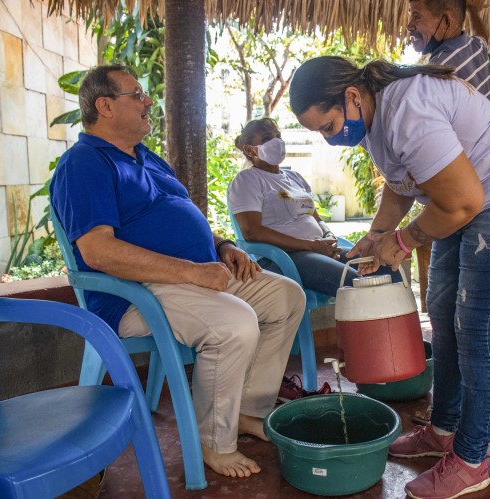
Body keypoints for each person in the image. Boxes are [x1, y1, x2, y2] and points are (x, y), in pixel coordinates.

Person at [289, 56, 490, 499]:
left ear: (352, 96)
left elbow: (461, 201)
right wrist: (377, 234)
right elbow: (401, 182)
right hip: (472, 204)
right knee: (442, 313)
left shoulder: (407, 108)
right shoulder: (374, 116)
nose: (329, 137)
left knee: (478, 333)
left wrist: (404, 240)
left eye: (328, 124)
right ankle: (444, 430)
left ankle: (471, 461)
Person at [50, 65, 305, 479]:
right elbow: (98, 252)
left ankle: (244, 411)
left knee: (286, 297)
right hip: (134, 292)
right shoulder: (85, 163)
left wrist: (223, 247)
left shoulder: (148, 159)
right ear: (105, 106)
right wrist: (192, 272)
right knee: (233, 323)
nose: (148, 100)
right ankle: (212, 441)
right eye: (137, 94)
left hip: (193, 278)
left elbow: (187, 220)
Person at [228, 117, 401, 296]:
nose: (277, 142)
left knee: (387, 268)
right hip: (286, 257)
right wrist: (310, 246)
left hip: (318, 249)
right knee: (357, 283)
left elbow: (315, 217)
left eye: (278, 135)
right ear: (249, 150)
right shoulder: (247, 180)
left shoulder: (294, 177)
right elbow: (252, 231)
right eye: (266, 138)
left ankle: (397, 323)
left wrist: (328, 237)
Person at [407, 0, 490, 101]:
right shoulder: (476, 46)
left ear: (446, 21)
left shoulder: (438, 73)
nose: (409, 26)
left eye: (416, 17)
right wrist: (472, 10)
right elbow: (481, 35)